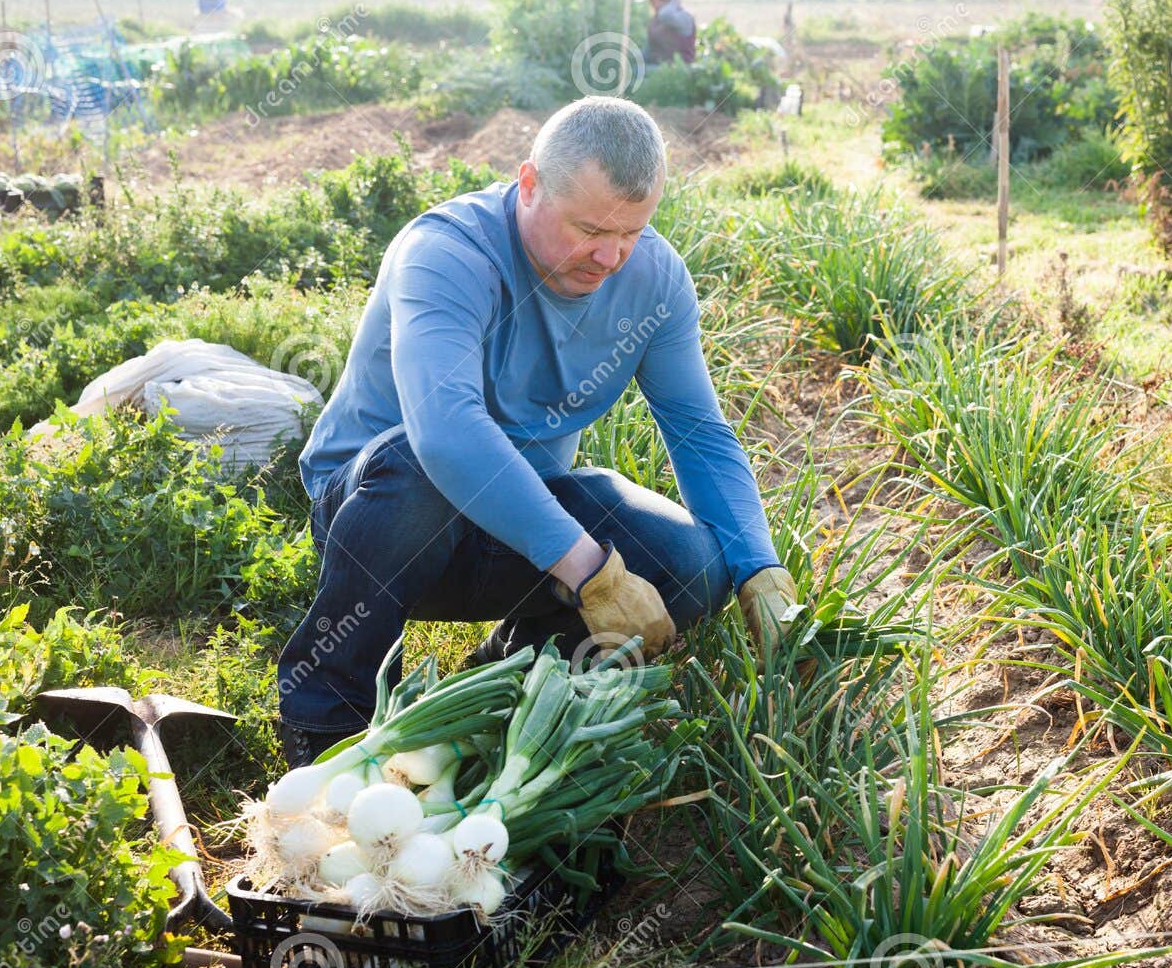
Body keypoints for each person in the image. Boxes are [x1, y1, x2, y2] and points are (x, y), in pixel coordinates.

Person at [275, 96, 798, 768]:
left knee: (695, 565)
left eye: (632, 233)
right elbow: (447, 434)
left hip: (524, 523)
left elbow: (699, 432)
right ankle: (327, 718)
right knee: (420, 469)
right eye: (588, 229)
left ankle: (503, 671)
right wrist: (592, 574)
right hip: (385, 516)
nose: (610, 256)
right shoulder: (446, 253)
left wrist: (759, 565)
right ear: (528, 185)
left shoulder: (654, 281)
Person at [638, 0, 695, 67]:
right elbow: (649, 51)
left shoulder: (684, 17)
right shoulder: (655, 21)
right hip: (658, 69)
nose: (652, 4)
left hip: (678, 72)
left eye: (653, 0)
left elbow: (666, 15)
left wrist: (674, 0)